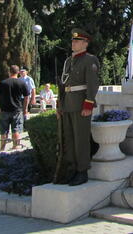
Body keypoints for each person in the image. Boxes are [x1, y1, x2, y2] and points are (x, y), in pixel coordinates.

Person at [57, 28, 100, 186]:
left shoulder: (90, 60)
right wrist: (60, 105)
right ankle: (72, 169)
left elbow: (93, 83)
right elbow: (63, 84)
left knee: (81, 139)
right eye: (73, 40)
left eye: (77, 41)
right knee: (69, 138)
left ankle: (82, 171)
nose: (73, 43)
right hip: (68, 102)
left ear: (85, 43)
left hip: (81, 103)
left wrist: (88, 103)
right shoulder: (69, 60)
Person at [0, 65, 30, 150]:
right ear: (18, 73)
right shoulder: (21, 83)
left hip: (4, 110)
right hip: (17, 110)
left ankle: (2, 149)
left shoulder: (3, 83)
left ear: (9, 72)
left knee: (3, 131)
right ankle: (15, 147)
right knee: (16, 129)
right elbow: (27, 97)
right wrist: (25, 109)